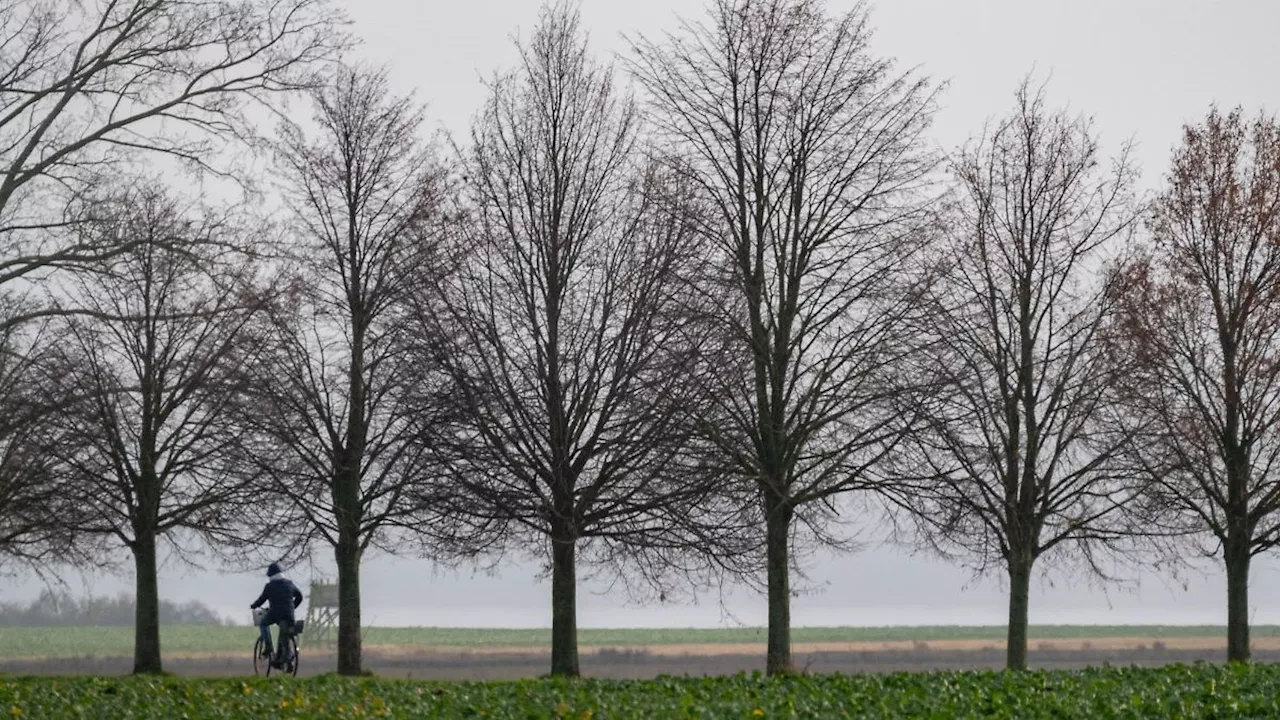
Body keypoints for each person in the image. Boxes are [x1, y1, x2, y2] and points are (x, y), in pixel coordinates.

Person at [250, 562, 303, 667]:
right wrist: (293, 607)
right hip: (289, 615)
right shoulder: (289, 583)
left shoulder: (269, 586)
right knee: (284, 633)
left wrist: (254, 605)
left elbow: (262, 599)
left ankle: (268, 646)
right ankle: (285, 660)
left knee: (263, 624)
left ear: (270, 575)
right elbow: (300, 596)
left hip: (275, 614)